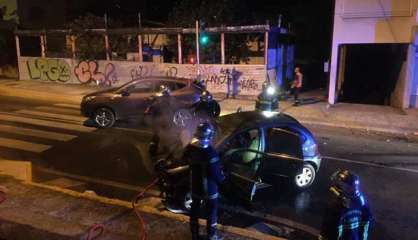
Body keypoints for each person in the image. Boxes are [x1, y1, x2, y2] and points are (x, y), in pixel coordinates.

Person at [183, 122, 225, 240]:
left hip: (195, 187)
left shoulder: (190, 148)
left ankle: (194, 235)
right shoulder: (211, 153)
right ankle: (211, 235)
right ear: (210, 136)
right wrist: (223, 179)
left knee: (194, 210)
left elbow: (184, 159)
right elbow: (216, 175)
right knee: (211, 212)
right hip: (210, 190)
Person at [319, 170, 372, 240]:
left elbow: (327, 231)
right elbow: (366, 225)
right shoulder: (362, 201)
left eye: (337, 185)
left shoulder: (336, 207)